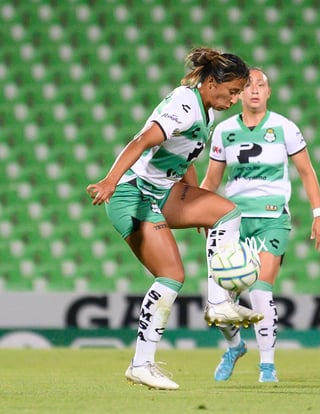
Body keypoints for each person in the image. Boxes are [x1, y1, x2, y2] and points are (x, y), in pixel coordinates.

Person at [86, 48, 264, 390]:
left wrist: (197, 199)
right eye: (232, 91)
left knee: (226, 212)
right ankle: (141, 364)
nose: (235, 99)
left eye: (239, 93)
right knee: (171, 275)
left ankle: (218, 303)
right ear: (212, 83)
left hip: (163, 190)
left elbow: (185, 158)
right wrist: (110, 180)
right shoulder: (183, 107)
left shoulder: (207, 112)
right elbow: (142, 140)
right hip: (132, 193)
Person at [200, 68, 320, 383]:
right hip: (231, 221)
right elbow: (213, 178)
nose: (255, 90)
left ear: (268, 93)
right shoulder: (224, 131)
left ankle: (267, 367)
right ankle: (234, 347)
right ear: (240, 93)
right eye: (249, 85)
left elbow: (307, 172)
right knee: (217, 303)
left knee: (259, 289)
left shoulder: (285, 128)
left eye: (262, 85)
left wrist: (319, 213)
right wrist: (201, 210)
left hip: (272, 219)